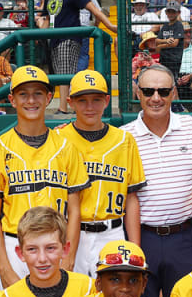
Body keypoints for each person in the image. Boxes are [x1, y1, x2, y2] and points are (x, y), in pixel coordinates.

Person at [0, 65, 88, 289]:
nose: (31, 100)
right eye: (23, 94)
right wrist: (4, 267)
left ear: (49, 97)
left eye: (38, 93)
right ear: (12, 100)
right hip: (16, 245)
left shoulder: (66, 147)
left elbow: (74, 210)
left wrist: (68, 257)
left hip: (55, 247)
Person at [121, 64, 192, 297]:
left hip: (182, 237)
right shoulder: (124, 137)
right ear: (138, 93)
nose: (155, 98)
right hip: (142, 236)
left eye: (163, 91)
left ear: (173, 93)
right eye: (148, 91)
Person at [60, 70, 146, 277]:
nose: (90, 107)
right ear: (70, 102)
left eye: (96, 99)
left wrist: (135, 248)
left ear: (107, 100)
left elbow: (131, 198)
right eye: (82, 100)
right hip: (70, 233)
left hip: (112, 232)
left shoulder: (124, 141)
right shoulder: (58, 139)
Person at [40, 0, 117, 116]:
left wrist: (110, 26)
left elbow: (95, 10)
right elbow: (47, 19)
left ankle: (63, 108)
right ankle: (71, 105)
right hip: (53, 39)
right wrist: (39, 35)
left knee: (64, 73)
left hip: (70, 37)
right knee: (61, 73)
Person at [156, 1, 185, 85]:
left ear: (178, 13)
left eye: (173, 12)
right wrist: (166, 41)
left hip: (174, 60)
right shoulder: (165, 26)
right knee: (164, 81)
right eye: (169, 11)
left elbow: (174, 43)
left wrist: (161, 46)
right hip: (164, 59)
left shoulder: (178, 25)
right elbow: (157, 40)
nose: (171, 14)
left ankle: (175, 98)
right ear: (166, 13)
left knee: (172, 82)